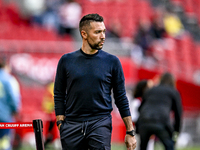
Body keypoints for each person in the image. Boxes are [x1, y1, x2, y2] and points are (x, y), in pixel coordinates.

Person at [54, 13, 137, 150]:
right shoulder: (66, 60)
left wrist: (130, 131)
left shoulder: (112, 62)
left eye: (104, 31)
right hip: (71, 125)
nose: (103, 36)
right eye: (98, 32)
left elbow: (121, 97)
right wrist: (61, 123)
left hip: (100, 123)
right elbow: (59, 93)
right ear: (84, 34)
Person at [136, 72, 182, 150]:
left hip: (144, 121)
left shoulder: (150, 90)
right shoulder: (173, 92)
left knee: (143, 147)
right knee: (169, 146)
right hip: (161, 122)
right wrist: (176, 133)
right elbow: (178, 114)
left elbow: (140, 108)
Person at [0, 55, 21, 150]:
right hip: (5, 116)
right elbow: (14, 98)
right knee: (5, 143)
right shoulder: (9, 80)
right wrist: (16, 110)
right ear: (7, 66)